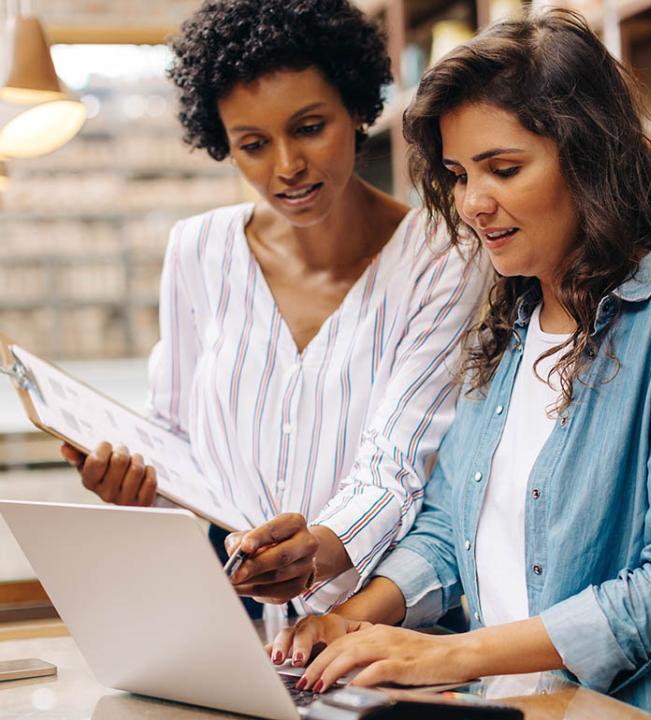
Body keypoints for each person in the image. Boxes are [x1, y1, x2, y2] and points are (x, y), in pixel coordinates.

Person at [269, 9, 651, 718]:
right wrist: (360, 618)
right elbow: (448, 531)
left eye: (503, 169)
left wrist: (451, 653)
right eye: (459, 174)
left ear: (588, 159)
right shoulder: (507, 326)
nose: (473, 203)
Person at [59, 0, 486, 620]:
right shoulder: (198, 251)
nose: (286, 167)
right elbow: (176, 440)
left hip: (380, 623)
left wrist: (318, 549)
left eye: (310, 127)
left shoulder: (443, 255)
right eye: (253, 144)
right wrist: (136, 484)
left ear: (356, 108)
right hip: (226, 616)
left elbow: (402, 461)